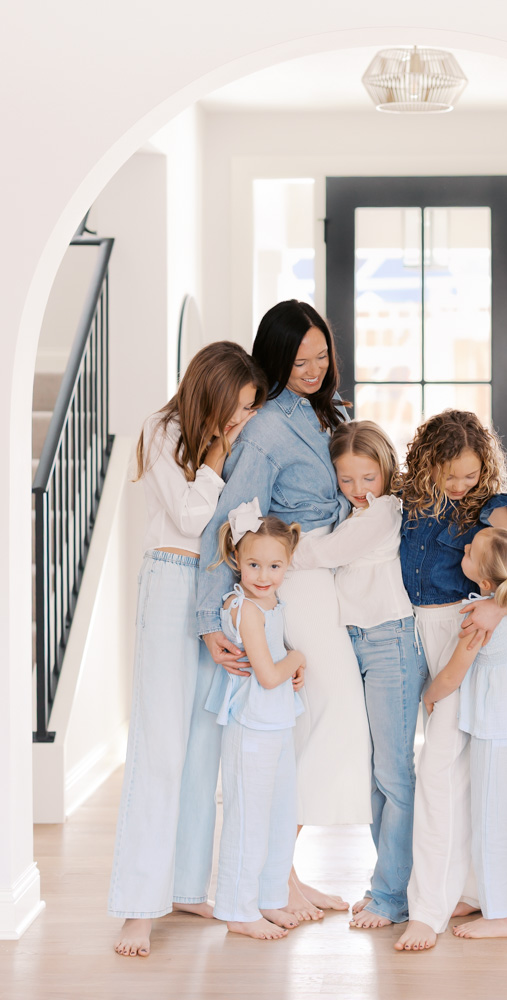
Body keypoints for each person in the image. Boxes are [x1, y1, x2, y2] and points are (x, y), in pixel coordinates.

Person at [196, 300, 372, 921]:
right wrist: (208, 617)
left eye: (322, 356)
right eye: (300, 361)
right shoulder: (269, 427)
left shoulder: (333, 414)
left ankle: (286, 876)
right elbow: (228, 520)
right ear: (275, 359)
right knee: (326, 714)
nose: (315, 369)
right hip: (294, 585)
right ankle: (275, 881)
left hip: (335, 580)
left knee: (313, 723)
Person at [109, 341, 265, 958]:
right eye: (238, 406)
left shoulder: (231, 439)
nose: (242, 418)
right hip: (172, 581)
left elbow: (238, 520)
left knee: (206, 744)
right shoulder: (163, 428)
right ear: (212, 391)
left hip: (215, 587)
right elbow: (190, 515)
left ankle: (186, 886)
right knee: (162, 746)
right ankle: (137, 907)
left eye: (251, 408)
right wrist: (221, 453)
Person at [394, 409, 507, 952]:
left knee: (440, 769)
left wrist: (498, 612)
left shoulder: (493, 506)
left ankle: (427, 910)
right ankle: (464, 887)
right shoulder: (409, 501)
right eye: (448, 474)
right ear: (426, 464)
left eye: (470, 475)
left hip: (461, 630)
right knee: (433, 771)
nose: (459, 486)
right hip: (407, 631)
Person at [290, 420, 427, 929]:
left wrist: (266, 550)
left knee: (393, 773)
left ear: (386, 471)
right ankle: (390, 886)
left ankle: (393, 895)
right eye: (345, 480)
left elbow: (325, 554)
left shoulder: (384, 511)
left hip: (390, 640)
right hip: (359, 640)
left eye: (367, 477)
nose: (357, 490)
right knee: (375, 774)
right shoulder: (350, 513)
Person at [423, 527, 507, 939]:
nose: (463, 547)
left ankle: (501, 914)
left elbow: (452, 674)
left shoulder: (478, 618)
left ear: (485, 582)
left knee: (491, 823)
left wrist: (429, 696)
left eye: (471, 551)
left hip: (498, 732)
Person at [205, 501, 306, 940]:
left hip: (278, 721)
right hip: (253, 725)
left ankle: (269, 897)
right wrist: (297, 658)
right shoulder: (245, 607)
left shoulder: (270, 600)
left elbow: (274, 661)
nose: (263, 575)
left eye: (274, 565)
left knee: (282, 814)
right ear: (236, 560)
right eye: (253, 564)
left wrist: (289, 663)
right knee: (248, 819)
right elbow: (267, 675)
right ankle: (237, 908)